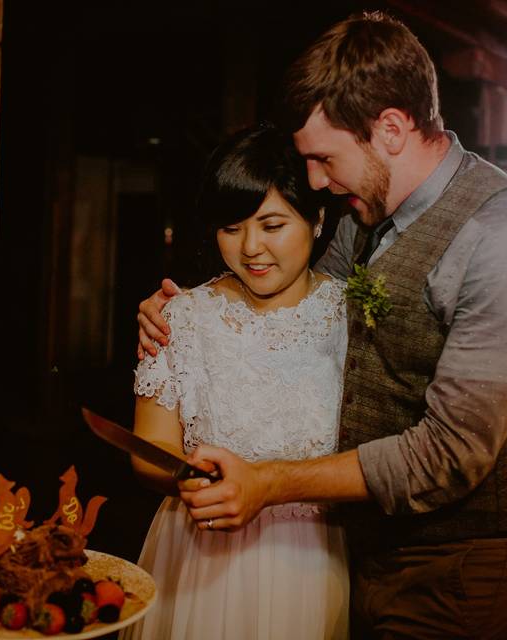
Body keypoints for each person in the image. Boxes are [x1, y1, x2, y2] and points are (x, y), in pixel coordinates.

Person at [137, 12, 507, 638]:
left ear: (391, 128)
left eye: (323, 158)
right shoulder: (363, 219)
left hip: (462, 568)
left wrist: (269, 482)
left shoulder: (505, 240)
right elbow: (279, 293)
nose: (314, 179)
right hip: (366, 554)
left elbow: (450, 455)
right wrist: (174, 312)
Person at [122, 123, 351, 640]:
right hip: (202, 553)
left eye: (272, 225)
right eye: (232, 228)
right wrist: (190, 478)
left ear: (316, 220)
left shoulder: (352, 318)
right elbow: (146, 449)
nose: (251, 248)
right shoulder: (178, 316)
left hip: (312, 556)